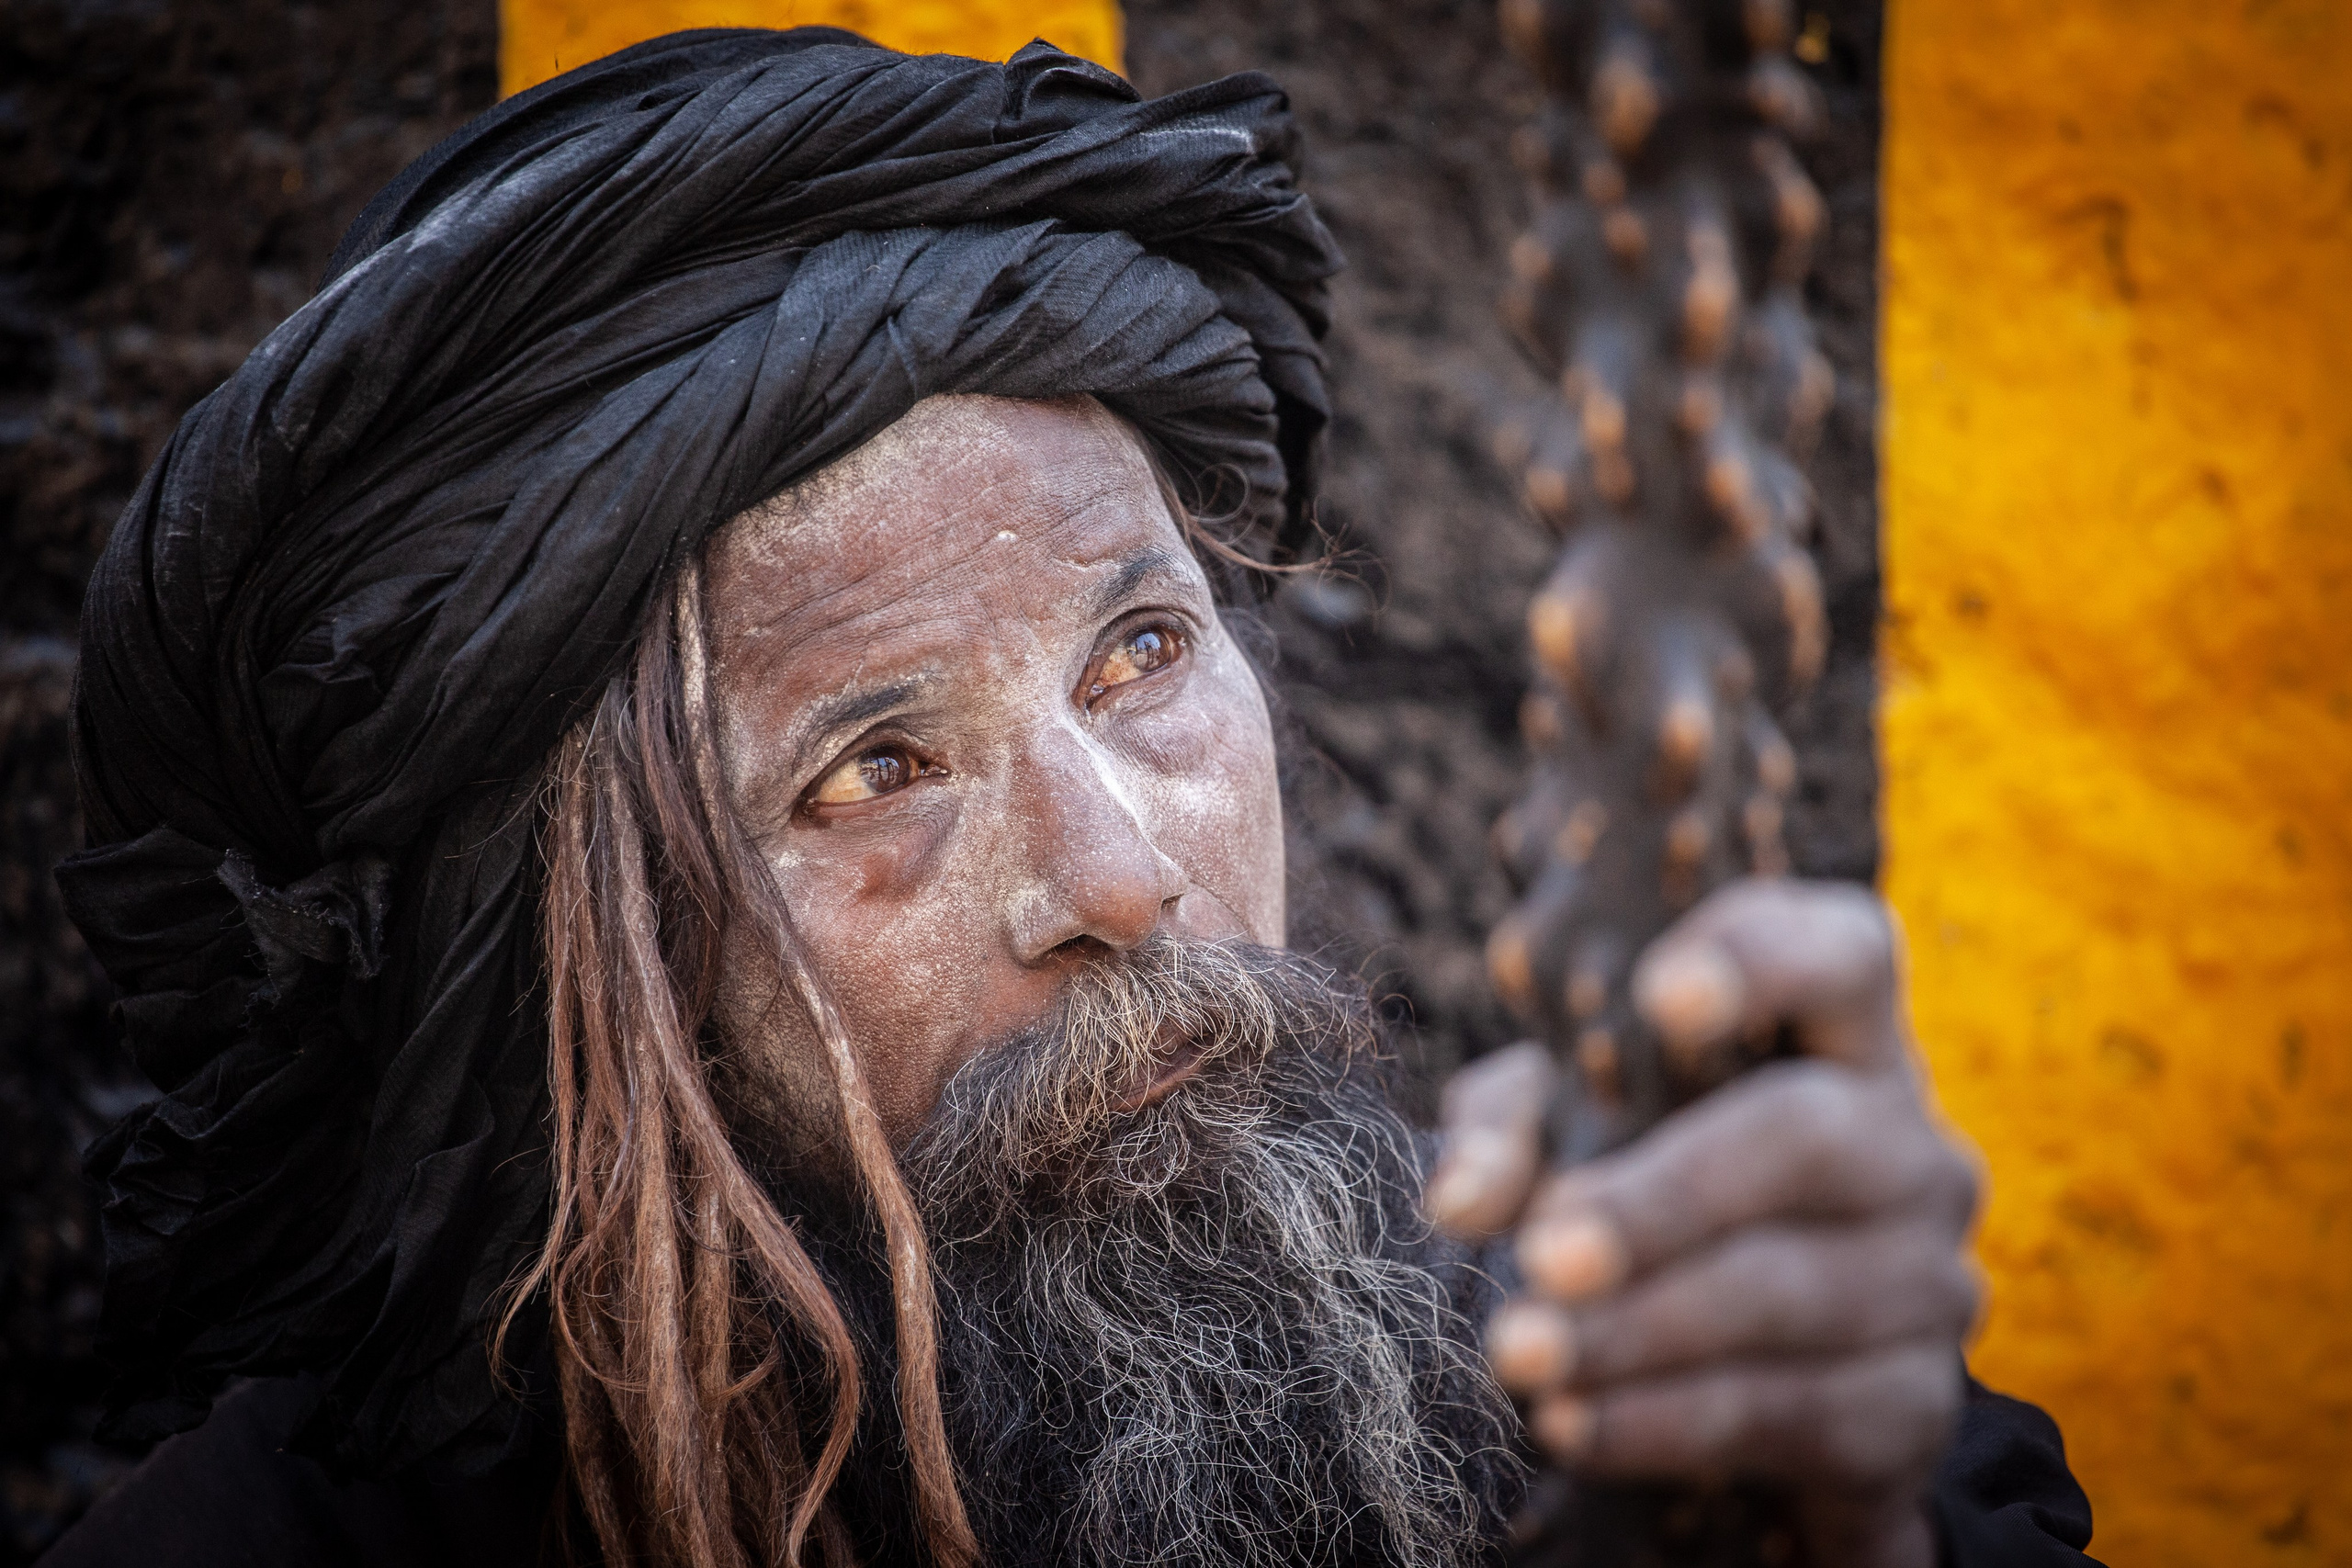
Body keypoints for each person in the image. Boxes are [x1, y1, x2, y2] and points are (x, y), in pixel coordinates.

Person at [44, 28, 2095, 1568]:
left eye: (1142, 651)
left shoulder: (1657, 1422)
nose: (1122, 873)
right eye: (875, 765)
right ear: (569, 965)